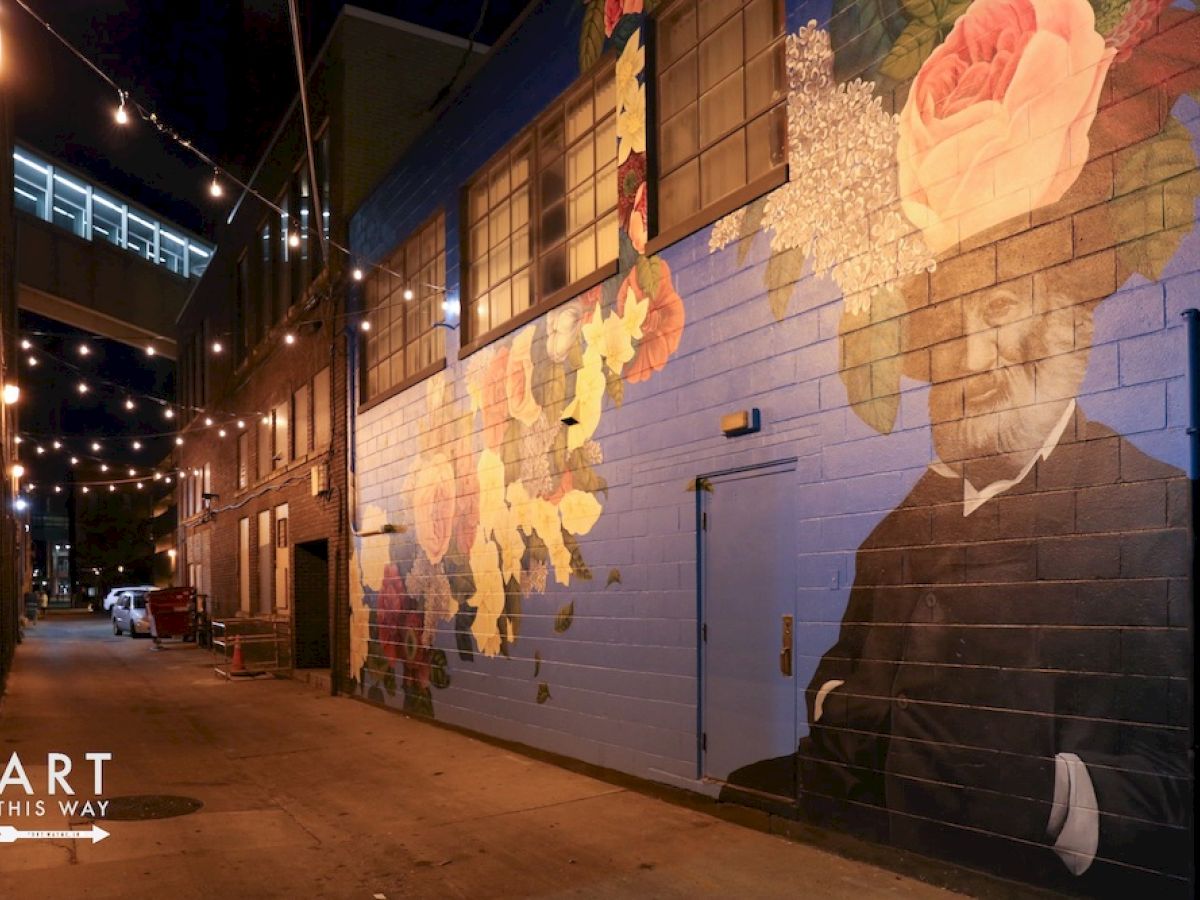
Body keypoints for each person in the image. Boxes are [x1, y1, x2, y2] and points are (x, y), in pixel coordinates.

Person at [726, 269, 1192, 894]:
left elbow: (1177, 766)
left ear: (1073, 334)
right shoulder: (894, 535)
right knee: (739, 799)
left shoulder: (1156, 516)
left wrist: (1047, 793)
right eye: (949, 334)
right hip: (863, 850)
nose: (970, 358)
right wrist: (860, 713)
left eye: (998, 311)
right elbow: (836, 675)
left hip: (1018, 871)